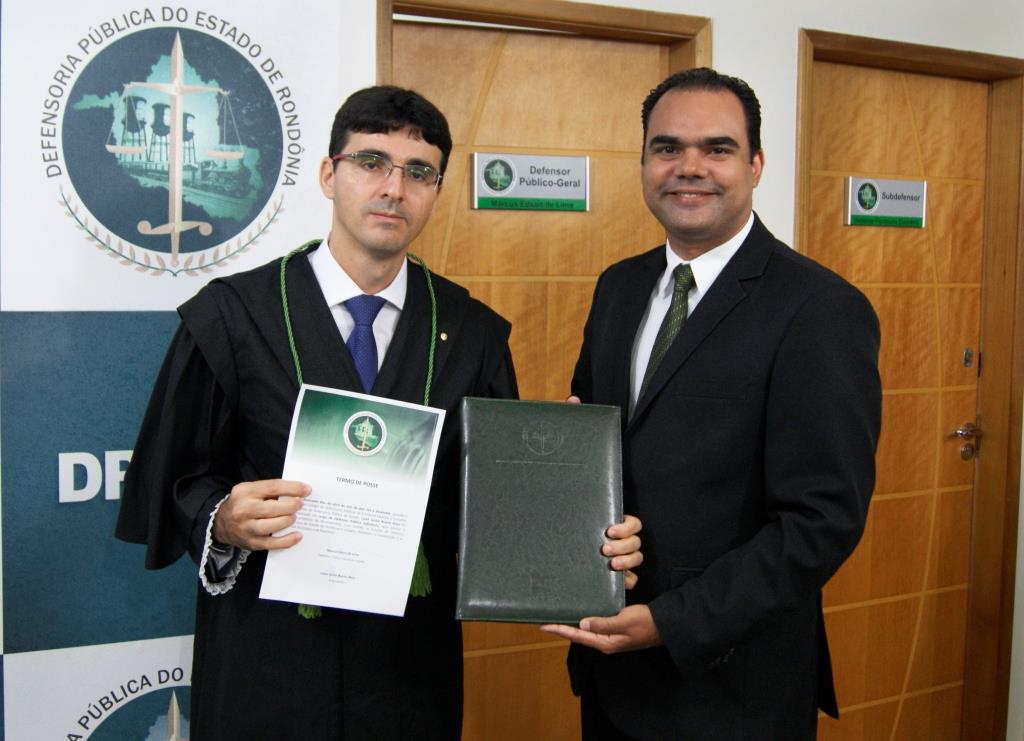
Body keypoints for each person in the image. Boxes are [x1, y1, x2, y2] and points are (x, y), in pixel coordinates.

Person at [116, 86, 642, 740]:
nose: (394, 187)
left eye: (419, 172)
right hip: (267, 660)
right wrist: (223, 518)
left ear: (436, 191)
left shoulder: (472, 331)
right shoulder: (233, 316)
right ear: (328, 174)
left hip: (406, 670)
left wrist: (571, 506)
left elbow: (493, 503)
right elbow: (177, 480)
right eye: (371, 162)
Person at [541, 68, 882, 740]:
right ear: (644, 162)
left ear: (755, 164)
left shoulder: (820, 309)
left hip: (730, 687)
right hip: (609, 669)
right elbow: (598, 447)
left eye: (717, 148)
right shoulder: (619, 287)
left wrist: (672, 622)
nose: (689, 167)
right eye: (667, 147)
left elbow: (821, 520)